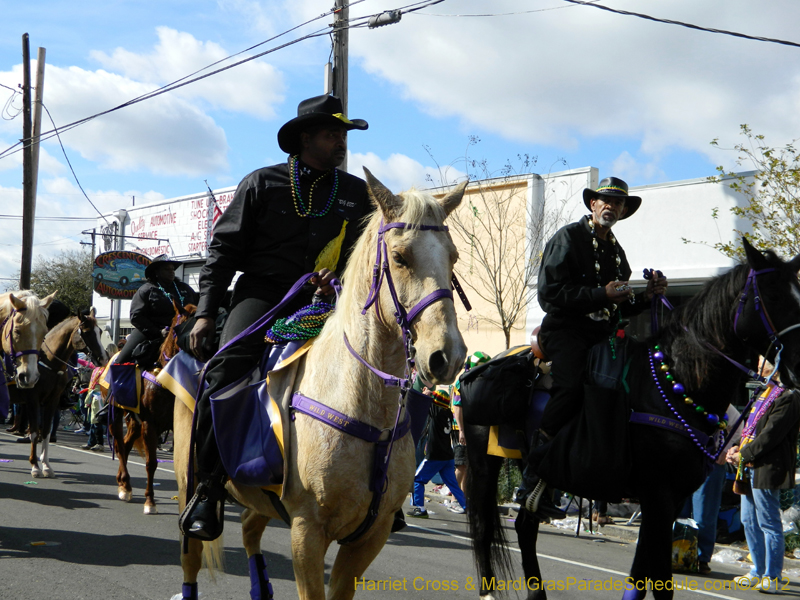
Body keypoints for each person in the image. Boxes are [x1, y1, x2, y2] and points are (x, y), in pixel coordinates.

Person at [181, 94, 371, 540]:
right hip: (264, 296)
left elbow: (366, 256)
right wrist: (207, 313)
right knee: (224, 373)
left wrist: (339, 281)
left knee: (375, 370)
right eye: (332, 134)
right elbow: (223, 251)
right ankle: (208, 489)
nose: (340, 142)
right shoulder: (261, 183)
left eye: (343, 135)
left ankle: (378, 491)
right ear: (306, 138)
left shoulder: (356, 193)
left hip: (327, 300)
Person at [516, 177, 668, 520]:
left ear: (624, 210)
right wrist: (601, 294)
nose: (611, 207)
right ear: (592, 204)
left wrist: (646, 296)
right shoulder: (568, 237)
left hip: (602, 335)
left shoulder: (617, 252)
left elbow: (620, 306)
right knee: (571, 387)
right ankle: (532, 480)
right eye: (605, 201)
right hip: (565, 331)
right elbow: (549, 294)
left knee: (624, 391)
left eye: (618, 203)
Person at [727, 383, 800, 594]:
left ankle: (773, 576)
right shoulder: (763, 393)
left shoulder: (789, 396)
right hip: (749, 465)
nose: (759, 364)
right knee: (748, 520)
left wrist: (744, 453)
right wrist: (737, 445)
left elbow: (770, 434)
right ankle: (757, 570)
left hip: (766, 467)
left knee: (768, 522)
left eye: (764, 361)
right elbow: (752, 429)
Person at [116, 255, 198, 367]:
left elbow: (197, 306)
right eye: (167, 269)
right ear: (156, 272)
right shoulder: (146, 290)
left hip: (184, 331)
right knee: (121, 361)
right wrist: (158, 332)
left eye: (172, 269)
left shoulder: (184, 288)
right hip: (151, 332)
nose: (171, 272)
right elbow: (136, 316)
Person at [407, 389, 468, 518]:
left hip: (435, 456)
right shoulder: (448, 413)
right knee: (453, 484)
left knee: (417, 480)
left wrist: (428, 394)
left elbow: (425, 404)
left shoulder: (436, 412)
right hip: (447, 456)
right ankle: (466, 506)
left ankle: (420, 508)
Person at [451, 351, 490, 496]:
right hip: (461, 428)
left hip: (471, 428)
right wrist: (461, 430)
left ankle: (463, 495)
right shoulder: (463, 382)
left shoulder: (476, 383)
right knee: (461, 464)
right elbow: (457, 406)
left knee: (467, 464)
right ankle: (455, 498)